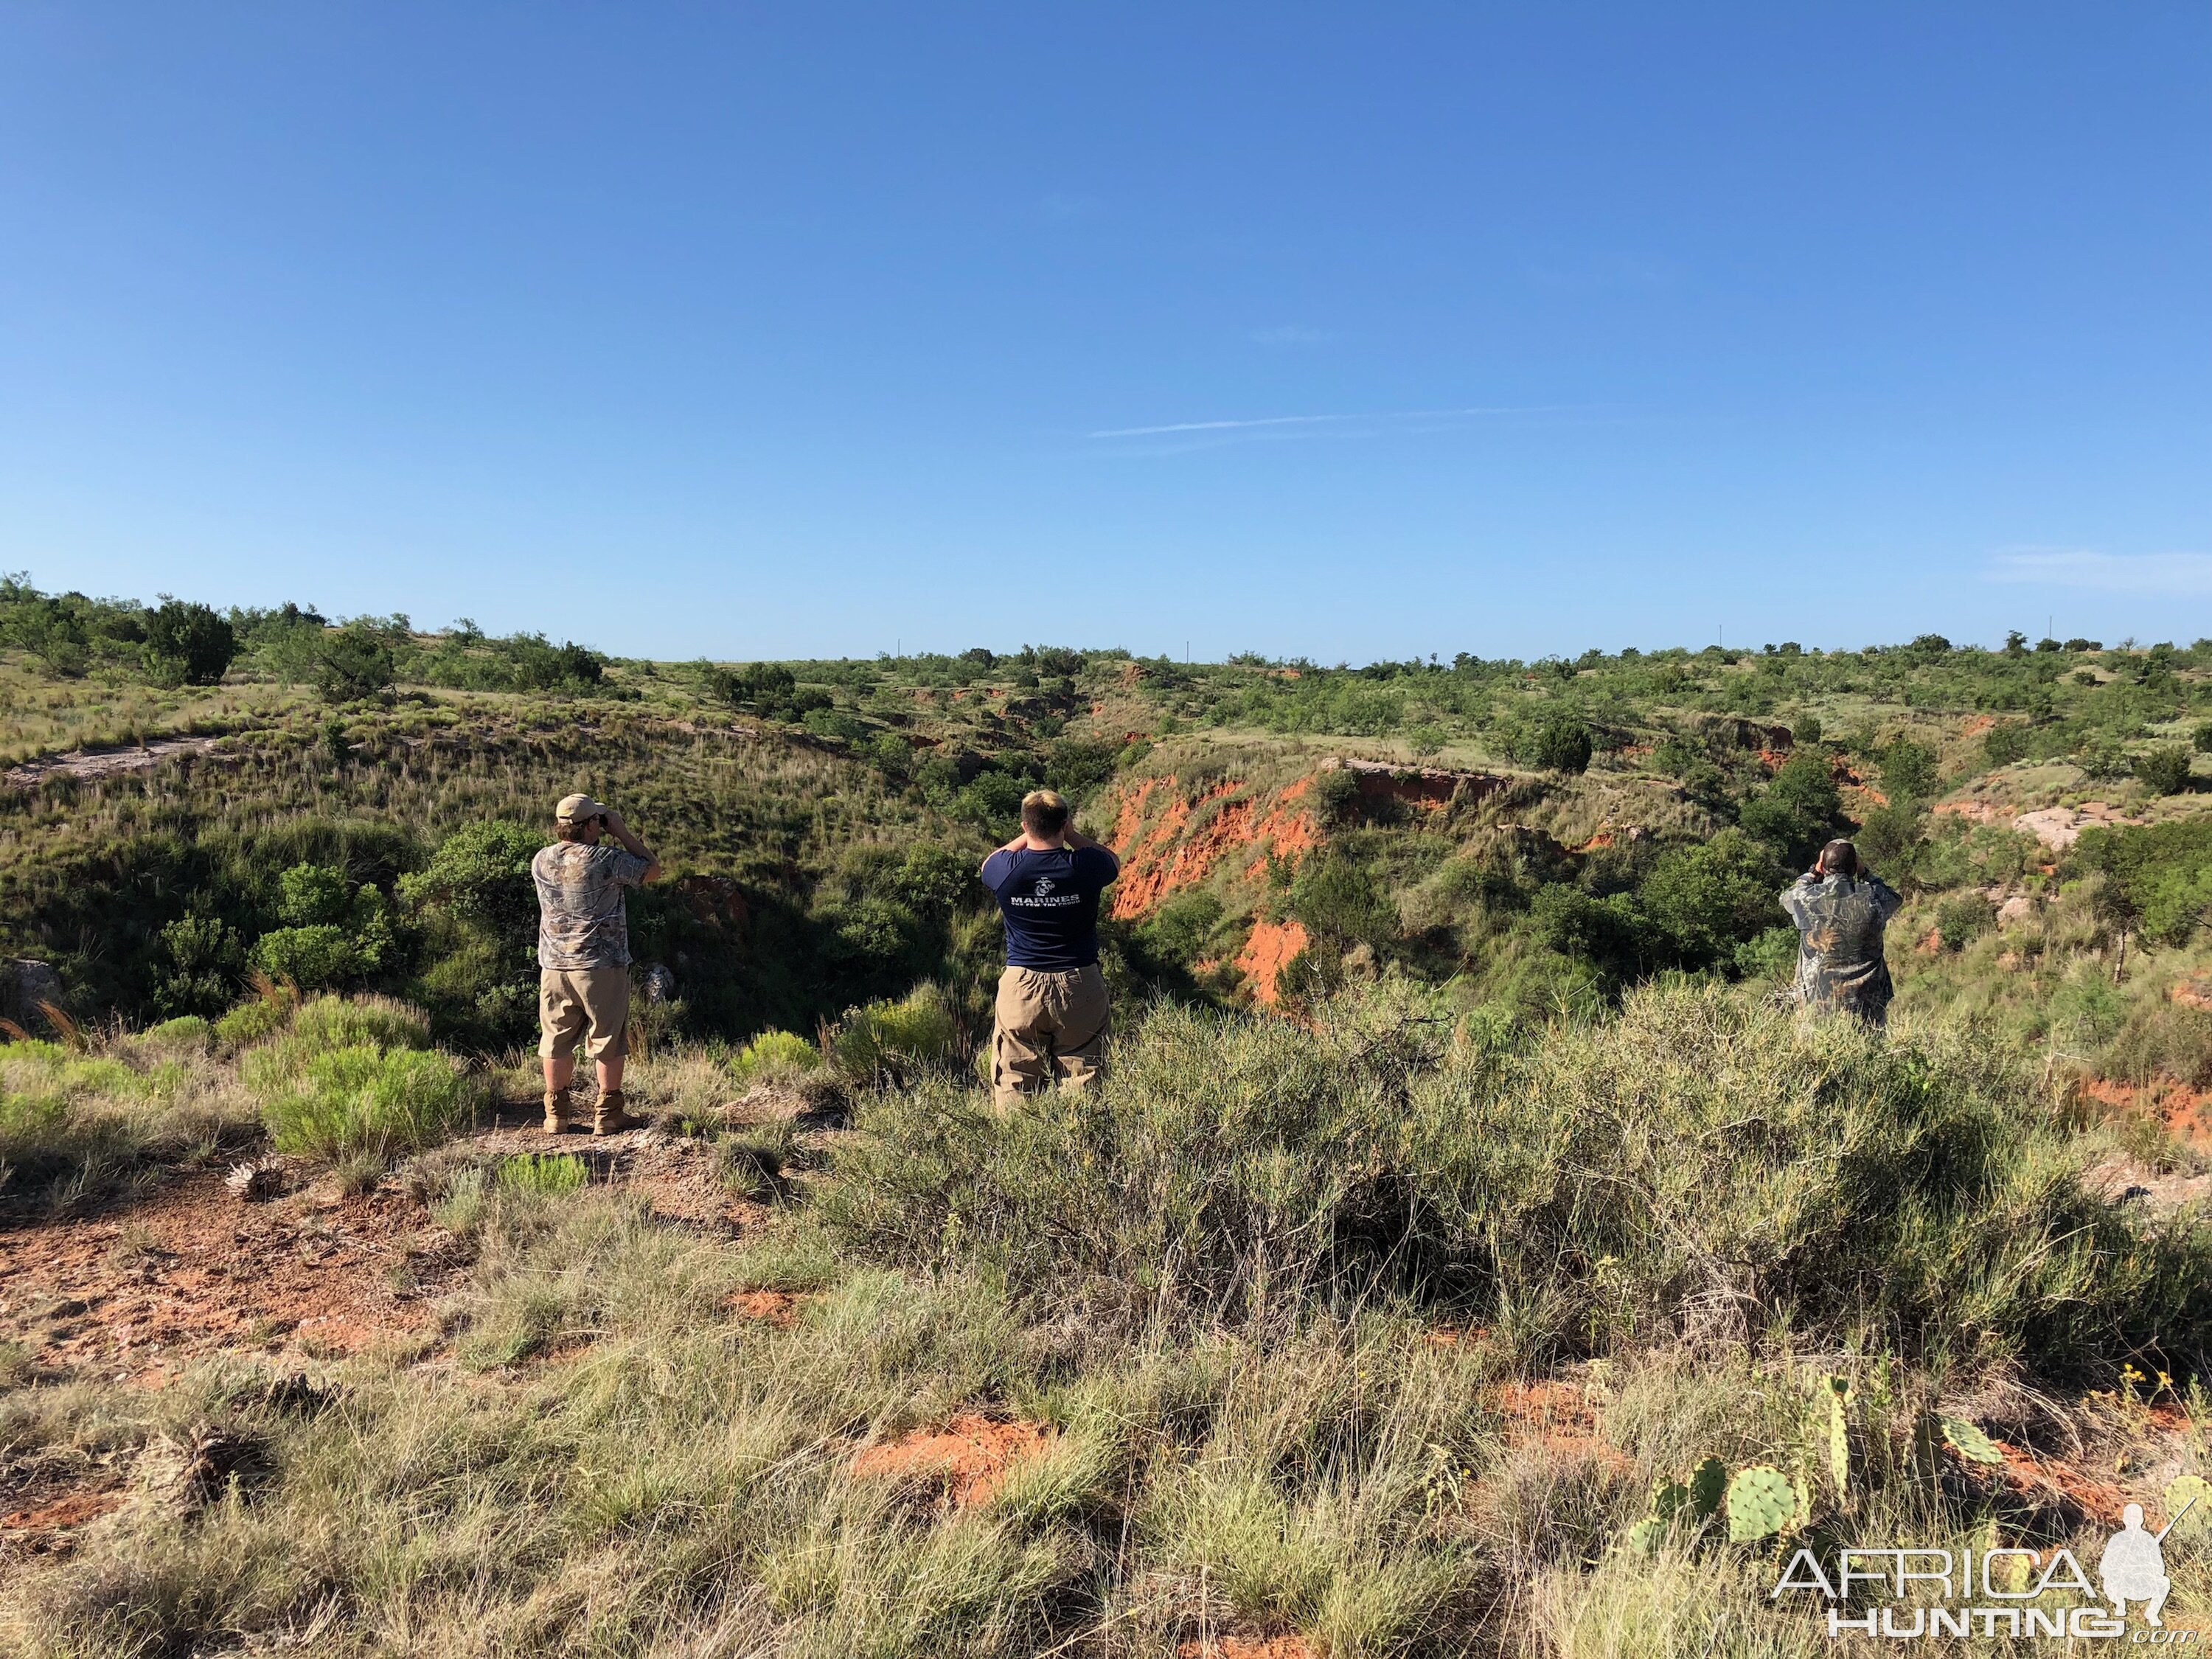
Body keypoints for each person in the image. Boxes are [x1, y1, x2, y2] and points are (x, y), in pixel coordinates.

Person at [979, 788, 1121, 1105]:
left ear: (1026, 825)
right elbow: (1113, 860)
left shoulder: (1006, 870)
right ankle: (1078, 1150)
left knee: (1015, 1080)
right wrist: (1071, 834)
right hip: (1079, 984)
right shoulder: (1085, 865)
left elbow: (990, 861)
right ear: (1064, 824)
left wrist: (1027, 832)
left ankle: (1019, 1148)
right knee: (1085, 1079)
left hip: (1021, 986)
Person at [534, 793, 661, 1134]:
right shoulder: (606, 858)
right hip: (600, 963)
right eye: (598, 822)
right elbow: (653, 870)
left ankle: (556, 1114)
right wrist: (620, 831)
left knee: (556, 1038)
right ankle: (608, 1113)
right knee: (607, 1037)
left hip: (554, 964)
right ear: (592, 825)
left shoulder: (542, 859)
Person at [1781, 838, 1902, 1023]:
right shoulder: (1874, 897)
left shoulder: (1806, 899)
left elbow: (1787, 896)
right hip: (1868, 1005)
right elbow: (1895, 898)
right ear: (1855, 867)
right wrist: (1865, 872)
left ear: (1823, 867)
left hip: (1818, 1003)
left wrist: (1813, 872)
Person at [2100, 1503, 2171, 1627]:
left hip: (2143, 1584)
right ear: (2124, 1520)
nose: (2132, 1521)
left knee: (2164, 1582)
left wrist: (2144, 1568)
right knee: (2110, 1580)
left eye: (2136, 1518)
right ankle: (2120, 1604)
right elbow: (2104, 1568)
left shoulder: (2148, 1540)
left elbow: (2159, 1568)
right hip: (2122, 1584)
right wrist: (2118, 1568)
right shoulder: (2117, 1539)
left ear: (2142, 1520)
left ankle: (2152, 1613)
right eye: (2130, 1518)